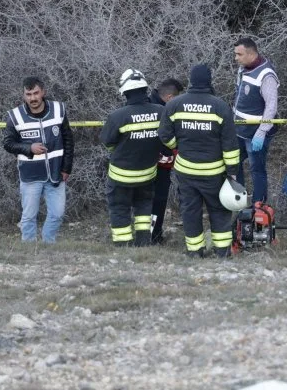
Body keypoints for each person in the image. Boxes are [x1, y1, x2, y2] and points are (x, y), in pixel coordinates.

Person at [158, 64, 240, 258]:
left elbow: (164, 134)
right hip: (214, 172)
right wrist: (232, 172)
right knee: (219, 211)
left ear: (191, 81)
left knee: (190, 211)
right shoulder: (220, 106)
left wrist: (178, 146)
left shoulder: (174, 104)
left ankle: (195, 251)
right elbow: (229, 144)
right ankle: (222, 252)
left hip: (186, 171)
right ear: (209, 81)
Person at [2, 77, 74, 243]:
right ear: (24, 95)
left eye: (36, 93)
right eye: (28, 94)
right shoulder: (15, 116)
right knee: (29, 216)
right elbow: (8, 143)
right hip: (30, 175)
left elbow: (68, 140)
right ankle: (28, 247)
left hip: (56, 173)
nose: (33, 98)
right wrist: (29, 148)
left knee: (57, 214)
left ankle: (48, 244)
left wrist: (66, 168)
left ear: (43, 92)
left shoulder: (58, 109)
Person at [100, 69, 165, 247]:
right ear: (145, 89)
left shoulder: (117, 116)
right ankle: (143, 243)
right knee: (144, 208)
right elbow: (165, 138)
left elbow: (108, 143)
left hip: (121, 176)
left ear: (125, 92)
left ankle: (124, 246)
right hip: (148, 174)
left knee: (120, 208)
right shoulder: (161, 112)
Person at [233, 37, 279, 204]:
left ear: (251, 54)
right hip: (239, 130)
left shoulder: (266, 75)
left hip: (256, 134)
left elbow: (271, 106)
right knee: (234, 163)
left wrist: (262, 131)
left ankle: (259, 206)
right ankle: (239, 200)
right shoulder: (243, 69)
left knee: (256, 169)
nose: (236, 58)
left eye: (239, 54)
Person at [148, 78, 185, 244]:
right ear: (170, 97)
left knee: (145, 202)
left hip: (146, 163)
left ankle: (149, 234)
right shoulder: (163, 110)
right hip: (159, 164)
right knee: (157, 200)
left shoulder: (148, 104)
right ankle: (154, 236)